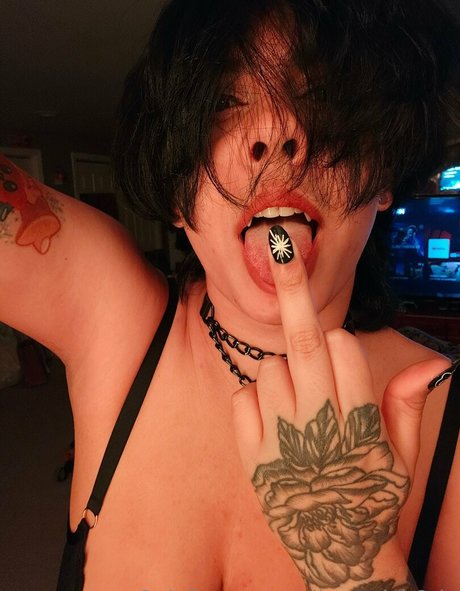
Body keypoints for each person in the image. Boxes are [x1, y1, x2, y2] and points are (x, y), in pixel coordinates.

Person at [1, 0, 459, 589]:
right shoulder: (110, 310)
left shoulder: (448, 414)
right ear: (175, 192)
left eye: (323, 98)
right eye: (223, 103)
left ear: (386, 172)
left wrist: (354, 561)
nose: (275, 133)